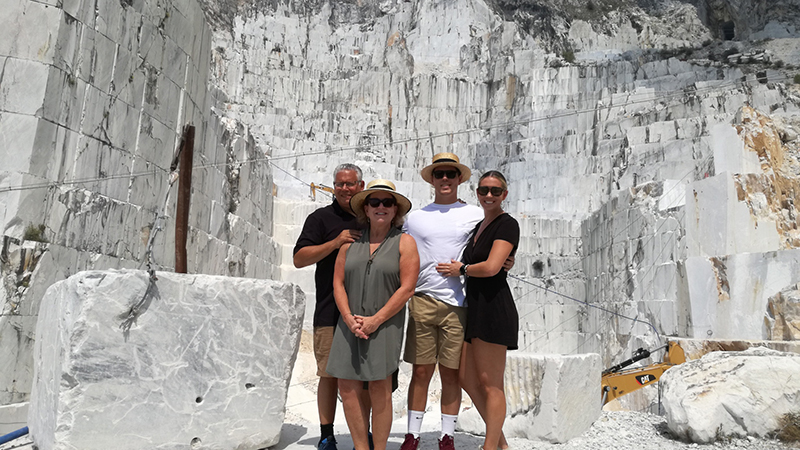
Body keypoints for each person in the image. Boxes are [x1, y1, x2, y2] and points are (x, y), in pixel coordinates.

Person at [326, 179, 419, 450]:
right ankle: (360, 447)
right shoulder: (349, 243)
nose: (381, 207)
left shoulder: (405, 243)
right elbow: (338, 283)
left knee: (380, 388)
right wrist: (347, 317)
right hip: (349, 323)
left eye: (387, 202)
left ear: (395, 210)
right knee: (347, 386)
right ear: (365, 209)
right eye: (374, 202)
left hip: (385, 325)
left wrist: (375, 320)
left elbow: (407, 288)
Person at [400, 153, 484, 450]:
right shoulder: (415, 217)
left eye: (450, 173)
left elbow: (493, 241)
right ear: (432, 179)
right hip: (422, 299)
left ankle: (446, 435)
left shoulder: (475, 214)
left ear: (459, 178)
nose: (445, 179)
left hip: (458, 304)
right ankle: (412, 435)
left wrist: (507, 260)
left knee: (451, 373)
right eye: (440, 174)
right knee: (421, 371)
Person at [437, 170, 520, 450]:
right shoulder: (479, 226)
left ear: (504, 195)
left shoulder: (507, 224)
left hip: (494, 308)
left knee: (490, 383)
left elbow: (493, 266)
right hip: (475, 308)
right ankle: (500, 444)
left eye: (495, 191)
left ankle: (489, 446)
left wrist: (462, 269)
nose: (488, 195)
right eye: (483, 190)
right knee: (466, 378)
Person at [293, 164, 367, 450]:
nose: (345, 189)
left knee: (365, 377)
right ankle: (327, 434)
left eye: (350, 184)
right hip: (329, 309)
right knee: (328, 374)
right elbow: (300, 258)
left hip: (366, 312)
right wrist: (335, 242)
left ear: (361, 186)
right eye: (339, 184)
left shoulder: (374, 215)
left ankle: (364, 433)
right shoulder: (320, 218)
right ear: (333, 187)